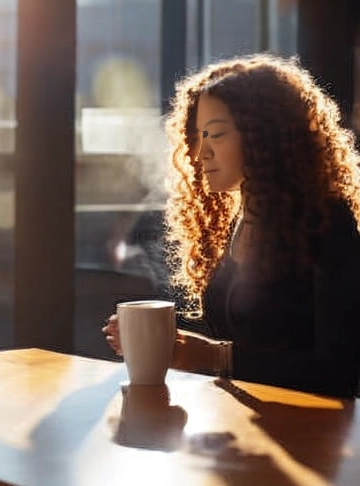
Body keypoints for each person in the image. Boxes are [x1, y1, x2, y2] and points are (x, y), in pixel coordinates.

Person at [102, 53, 360, 398]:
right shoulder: (242, 218)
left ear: (264, 136)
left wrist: (215, 356)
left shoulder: (326, 221)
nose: (199, 154)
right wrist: (161, 336)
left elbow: (338, 371)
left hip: (310, 438)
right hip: (251, 423)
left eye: (217, 135)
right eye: (197, 136)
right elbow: (247, 332)